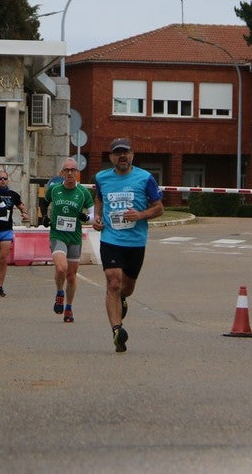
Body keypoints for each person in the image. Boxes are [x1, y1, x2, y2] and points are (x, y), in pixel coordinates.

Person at [93, 137, 164, 353]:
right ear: (112, 157)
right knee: (113, 282)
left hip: (135, 242)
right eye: (118, 153)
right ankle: (117, 330)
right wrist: (97, 217)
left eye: (126, 152)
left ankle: (123, 299)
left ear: (132, 155)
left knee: (127, 287)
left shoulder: (145, 178)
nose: (122, 156)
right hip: (110, 239)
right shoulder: (101, 177)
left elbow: (159, 208)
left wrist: (140, 215)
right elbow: (99, 199)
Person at [46, 158, 95, 323]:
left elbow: (94, 217)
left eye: (73, 170)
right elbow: (44, 201)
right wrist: (44, 218)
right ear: (62, 173)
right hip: (57, 235)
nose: (69, 173)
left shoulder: (83, 193)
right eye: (66, 170)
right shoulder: (54, 189)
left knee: (72, 276)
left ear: (77, 173)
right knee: (61, 269)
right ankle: (60, 292)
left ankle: (69, 308)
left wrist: (85, 217)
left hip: (74, 237)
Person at [0, 169, 28, 297]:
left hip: (6, 231)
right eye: (0, 178)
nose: (3, 181)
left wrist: (24, 213)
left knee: (4, 258)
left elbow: (21, 206)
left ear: (7, 180)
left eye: (5, 178)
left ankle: (0, 286)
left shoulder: (13, 195)